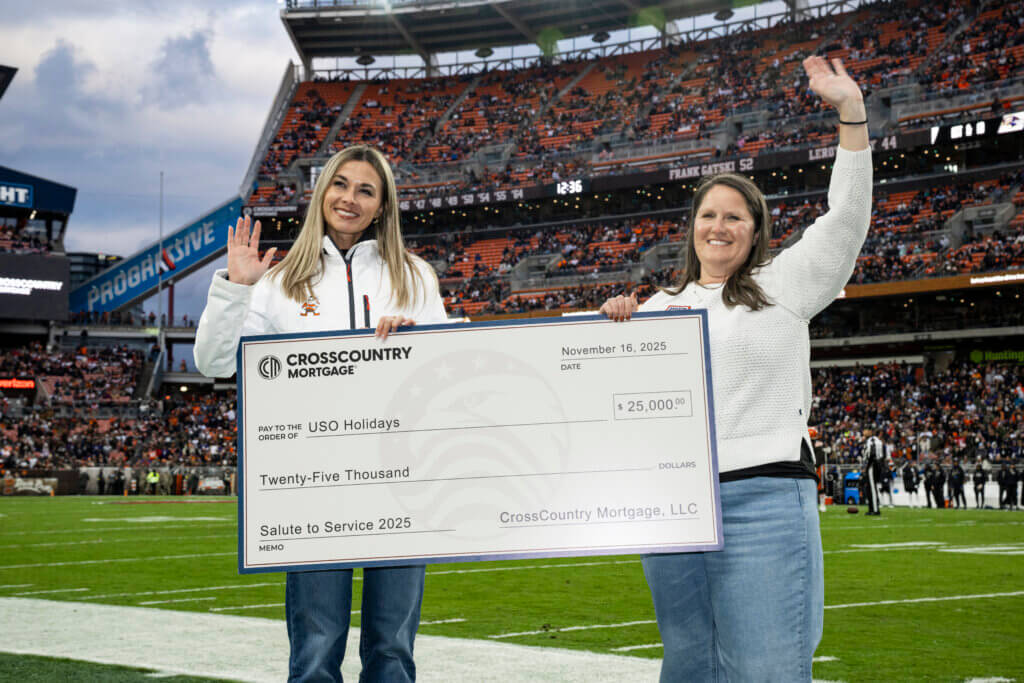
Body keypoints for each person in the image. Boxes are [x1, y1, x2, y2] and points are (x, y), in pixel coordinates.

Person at [600, 56, 871, 681]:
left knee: (767, 668)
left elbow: (848, 220)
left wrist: (850, 115)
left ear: (755, 232)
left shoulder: (785, 285)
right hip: (673, 505)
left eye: (734, 216)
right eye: (707, 214)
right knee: (690, 666)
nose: (718, 226)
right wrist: (610, 329)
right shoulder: (658, 308)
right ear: (690, 228)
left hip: (765, 496)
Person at [194, 144, 447, 682]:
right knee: (314, 652)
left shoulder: (417, 276)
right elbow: (215, 362)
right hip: (315, 484)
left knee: (393, 652)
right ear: (321, 193)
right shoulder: (279, 279)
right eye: (340, 184)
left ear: (382, 206)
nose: (349, 199)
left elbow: (451, 377)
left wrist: (420, 342)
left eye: (365, 190)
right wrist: (237, 288)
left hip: (402, 482)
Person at [862, 428, 885, 515]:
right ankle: (871, 508)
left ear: (870, 431)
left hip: (872, 464)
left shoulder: (872, 440)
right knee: (869, 487)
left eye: (866, 430)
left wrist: (867, 466)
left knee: (872, 488)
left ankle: (875, 509)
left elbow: (872, 454)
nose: (864, 432)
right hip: (875, 464)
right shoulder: (875, 440)